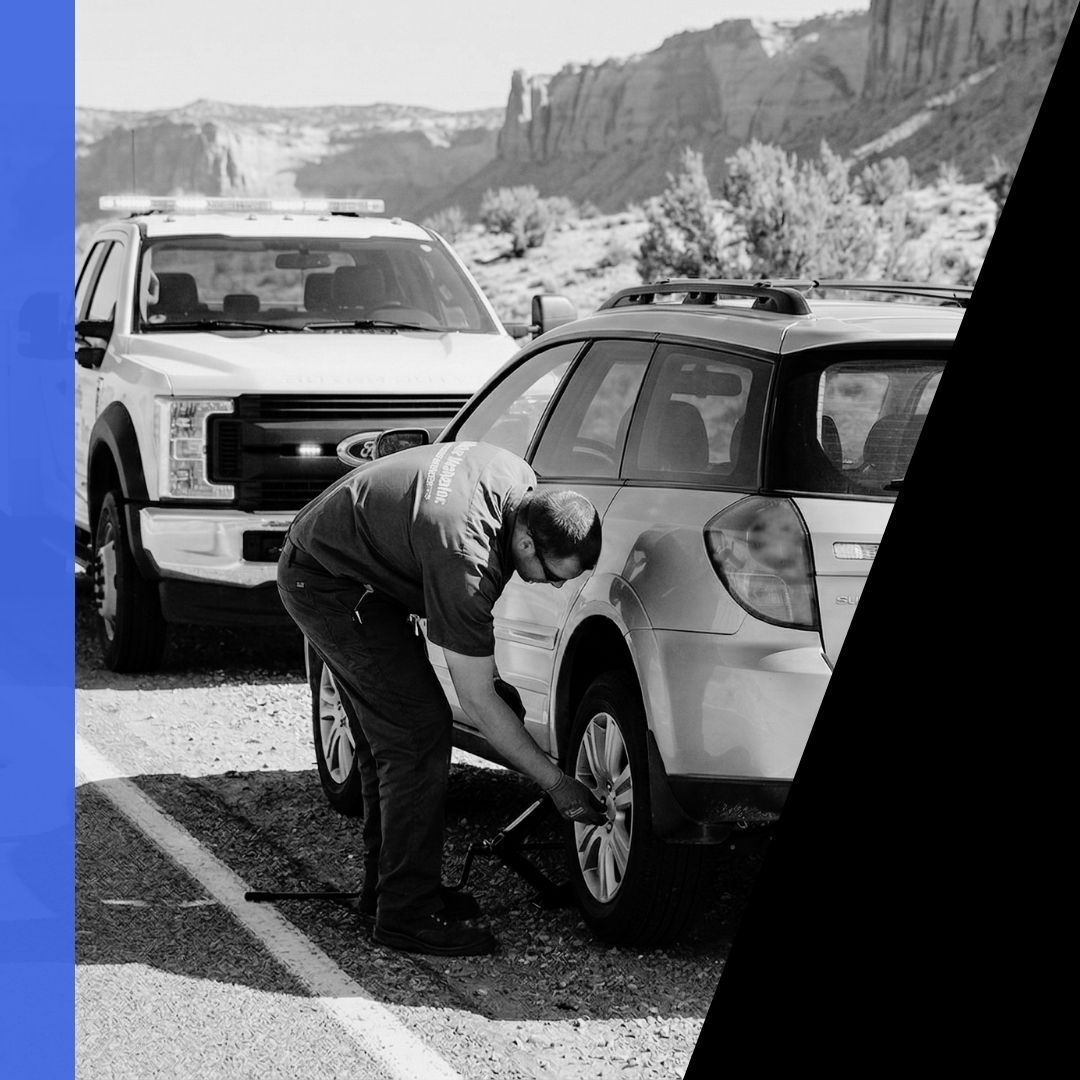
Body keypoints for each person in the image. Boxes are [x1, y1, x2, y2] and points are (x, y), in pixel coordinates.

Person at [277, 439, 606, 957]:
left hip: (357, 568)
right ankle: (406, 915)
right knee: (416, 734)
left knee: (391, 736)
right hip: (326, 583)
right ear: (525, 544)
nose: (554, 589)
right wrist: (558, 784)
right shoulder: (464, 557)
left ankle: (387, 893)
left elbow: (478, 665)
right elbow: (474, 700)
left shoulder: (513, 476)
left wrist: (498, 687)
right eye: (553, 576)